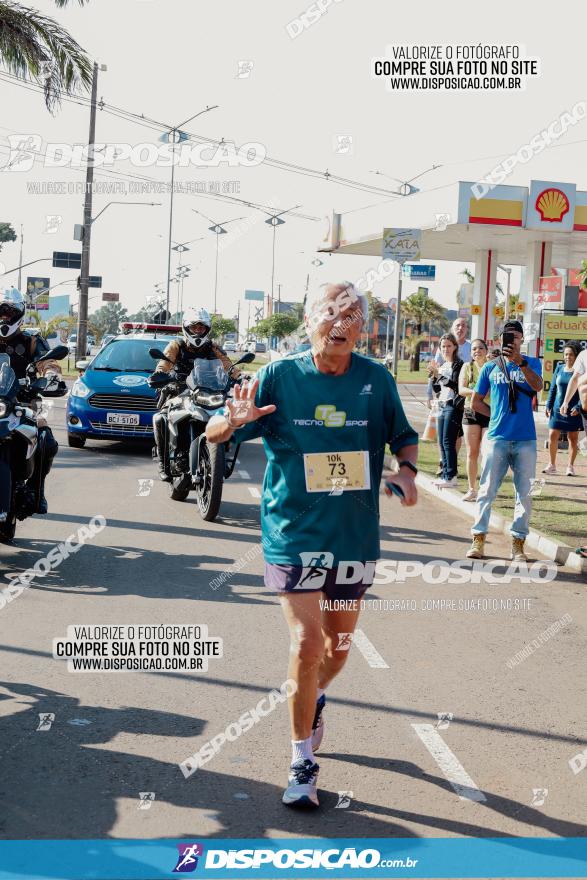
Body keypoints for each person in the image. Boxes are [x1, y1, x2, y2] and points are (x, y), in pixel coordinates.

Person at [205, 281, 419, 809]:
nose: (341, 325)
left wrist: (408, 472)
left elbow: (403, 435)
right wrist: (232, 421)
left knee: (338, 649)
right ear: (309, 322)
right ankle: (302, 758)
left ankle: (315, 697)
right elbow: (214, 432)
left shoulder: (376, 379)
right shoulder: (279, 376)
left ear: (364, 328)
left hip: (352, 534)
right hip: (291, 533)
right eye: (331, 314)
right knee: (306, 642)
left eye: (353, 317)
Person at [466, 320, 543, 562]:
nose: (512, 340)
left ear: (522, 339)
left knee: (525, 493)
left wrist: (520, 362)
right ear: (500, 340)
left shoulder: (532, 363)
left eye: (516, 336)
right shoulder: (490, 367)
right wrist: (496, 415)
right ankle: (478, 540)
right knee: (487, 490)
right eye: (507, 336)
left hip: (525, 440)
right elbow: (475, 401)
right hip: (497, 438)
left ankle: (518, 545)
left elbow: (538, 386)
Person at [150, 307, 239, 481]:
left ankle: (221, 458)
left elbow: (228, 365)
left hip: (208, 391)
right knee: (160, 418)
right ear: (186, 328)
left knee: (229, 415)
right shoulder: (177, 345)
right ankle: (163, 462)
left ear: (207, 329)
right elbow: (164, 363)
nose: (198, 331)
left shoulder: (213, 347)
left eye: (201, 328)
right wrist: (160, 374)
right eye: (194, 328)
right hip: (180, 390)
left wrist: (241, 376)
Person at [0, 288, 58, 513]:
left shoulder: (32, 340)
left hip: (25, 402)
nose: (4, 317)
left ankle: (36, 489)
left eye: (9, 312)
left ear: (19, 314)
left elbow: (48, 362)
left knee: (46, 439)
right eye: (1, 312)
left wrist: (51, 376)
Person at [429, 333, 464, 488]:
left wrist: (439, 376)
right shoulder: (442, 365)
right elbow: (438, 389)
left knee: (449, 441)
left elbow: (456, 385)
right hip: (441, 404)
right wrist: (433, 377)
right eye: (443, 346)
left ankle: (451, 476)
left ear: (455, 347)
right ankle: (445, 474)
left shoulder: (458, 364)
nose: (446, 349)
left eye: (449, 346)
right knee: (441, 441)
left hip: (453, 405)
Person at [543, 343, 582, 476]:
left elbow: (583, 391)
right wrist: (548, 404)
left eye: (571, 354)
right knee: (552, 435)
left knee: (573, 438)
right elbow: (553, 388)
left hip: (574, 410)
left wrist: (578, 407)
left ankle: (570, 466)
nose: (568, 357)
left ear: (576, 356)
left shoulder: (581, 371)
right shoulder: (559, 368)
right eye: (566, 354)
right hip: (557, 409)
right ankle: (552, 465)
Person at [458, 339, 490, 501]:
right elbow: (461, 389)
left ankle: (485, 489)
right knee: (472, 452)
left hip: (488, 412)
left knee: (487, 452)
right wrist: (477, 392)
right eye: (474, 349)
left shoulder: (491, 366)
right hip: (470, 412)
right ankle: (472, 489)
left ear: (486, 350)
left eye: (480, 348)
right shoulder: (467, 367)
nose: (477, 351)